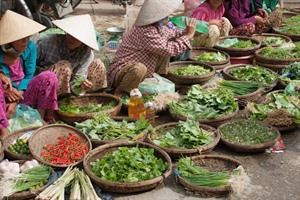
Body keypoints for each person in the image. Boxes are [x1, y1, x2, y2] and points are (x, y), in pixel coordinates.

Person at [108, 0, 197, 96]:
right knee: (139, 69)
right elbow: (168, 50)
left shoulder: (157, 27)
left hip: (144, 68)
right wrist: (188, 36)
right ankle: (120, 92)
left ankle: (160, 78)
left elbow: (172, 33)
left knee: (166, 45)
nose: (169, 16)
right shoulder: (146, 31)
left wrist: (187, 32)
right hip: (123, 72)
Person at [0, 10, 58, 137]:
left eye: (27, 36)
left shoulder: (30, 47)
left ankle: (38, 118)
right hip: (4, 98)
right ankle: (3, 129)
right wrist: (6, 91)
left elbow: (28, 76)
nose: (26, 40)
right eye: (22, 38)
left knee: (49, 76)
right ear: (10, 39)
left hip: (23, 93)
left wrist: (17, 98)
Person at [36, 14, 107, 97]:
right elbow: (29, 66)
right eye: (71, 33)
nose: (72, 38)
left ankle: (92, 100)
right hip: (43, 86)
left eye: (78, 37)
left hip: (69, 87)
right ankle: (53, 103)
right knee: (64, 67)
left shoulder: (86, 53)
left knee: (98, 64)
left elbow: (78, 78)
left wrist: (81, 84)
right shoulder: (47, 42)